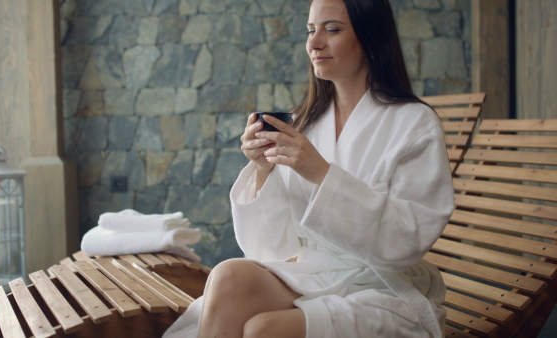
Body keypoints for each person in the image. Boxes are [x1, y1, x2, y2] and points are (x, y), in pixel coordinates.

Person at [164, 0, 454, 337]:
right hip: (315, 274)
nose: (314, 43)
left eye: (332, 29)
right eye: (310, 30)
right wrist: (263, 170)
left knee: (263, 329)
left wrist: (320, 172)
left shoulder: (414, 123)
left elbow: (407, 238)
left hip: (382, 284)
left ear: (371, 37)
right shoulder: (308, 123)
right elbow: (271, 248)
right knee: (229, 276)